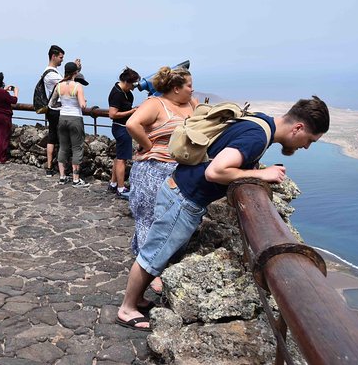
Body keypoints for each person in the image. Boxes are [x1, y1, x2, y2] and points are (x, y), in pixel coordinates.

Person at [116, 96, 330, 331]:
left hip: (180, 190)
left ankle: (136, 299)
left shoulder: (260, 122)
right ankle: (127, 309)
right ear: (298, 128)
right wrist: (261, 175)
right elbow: (215, 171)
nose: (306, 147)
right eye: (310, 140)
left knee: (158, 252)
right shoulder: (258, 137)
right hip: (183, 198)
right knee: (153, 254)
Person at [125, 66, 198, 294]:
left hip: (182, 172)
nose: (192, 89)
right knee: (150, 219)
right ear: (176, 88)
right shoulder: (155, 104)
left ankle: (157, 264)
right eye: (188, 85)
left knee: (174, 220)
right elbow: (131, 124)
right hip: (153, 171)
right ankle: (152, 272)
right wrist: (149, 146)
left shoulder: (193, 104)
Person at [50, 61, 90, 187]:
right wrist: (84, 101)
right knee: (77, 148)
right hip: (75, 118)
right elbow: (82, 106)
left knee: (63, 147)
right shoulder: (77, 86)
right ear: (75, 73)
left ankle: (62, 177)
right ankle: (76, 179)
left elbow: (52, 103)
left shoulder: (59, 86)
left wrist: (62, 106)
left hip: (63, 117)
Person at [107, 67, 141, 199]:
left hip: (122, 127)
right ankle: (121, 188)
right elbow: (112, 114)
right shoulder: (117, 93)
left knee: (119, 157)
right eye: (133, 84)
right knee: (122, 159)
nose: (134, 88)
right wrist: (131, 112)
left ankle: (113, 183)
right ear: (126, 82)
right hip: (121, 128)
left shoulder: (124, 92)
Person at [42, 45, 65, 177]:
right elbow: (66, 83)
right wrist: (75, 70)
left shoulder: (50, 72)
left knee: (52, 137)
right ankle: (54, 167)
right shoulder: (51, 74)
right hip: (56, 109)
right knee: (58, 138)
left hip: (52, 110)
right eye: (60, 57)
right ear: (53, 56)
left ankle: (50, 166)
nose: (61, 60)